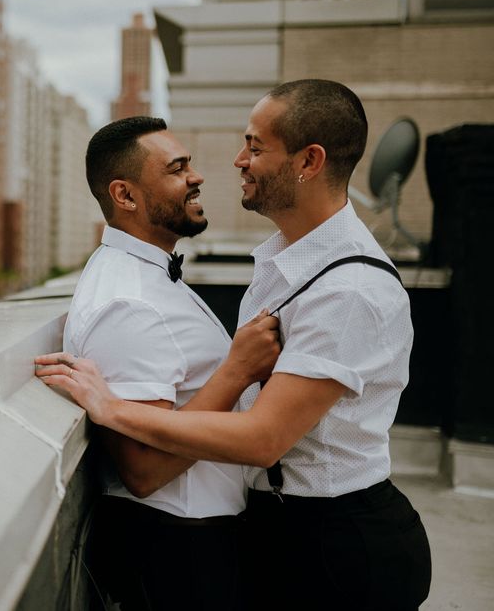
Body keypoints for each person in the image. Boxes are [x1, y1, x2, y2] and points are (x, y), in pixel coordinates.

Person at [36, 81, 432, 611]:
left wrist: (110, 408)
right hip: (279, 529)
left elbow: (264, 437)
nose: (237, 161)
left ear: (308, 162)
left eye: (254, 146)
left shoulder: (349, 290)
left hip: (340, 541)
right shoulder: (281, 264)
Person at [41, 116, 279, 610]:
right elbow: (144, 470)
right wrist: (238, 371)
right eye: (177, 169)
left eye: (189, 163)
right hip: (179, 548)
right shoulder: (129, 304)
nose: (196, 177)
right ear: (125, 196)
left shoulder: (146, 275)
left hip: (195, 538)